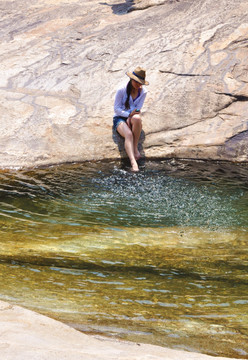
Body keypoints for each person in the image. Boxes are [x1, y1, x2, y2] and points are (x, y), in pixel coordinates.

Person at [113, 66, 149, 172]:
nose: (138, 85)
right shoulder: (121, 89)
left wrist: (133, 115)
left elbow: (138, 108)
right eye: (136, 82)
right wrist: (128, 115)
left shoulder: (143, 92)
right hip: (120, 117)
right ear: (131, 79)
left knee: (137, 118)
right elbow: (116, 109)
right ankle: (133, 162)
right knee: (128, 134)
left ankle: (134, 147)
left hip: (132, 116)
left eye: (140, 83)